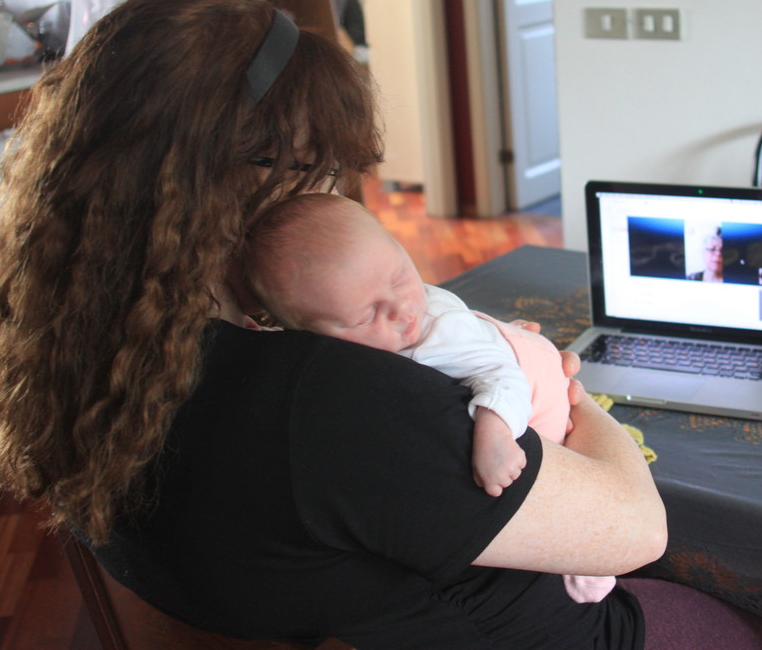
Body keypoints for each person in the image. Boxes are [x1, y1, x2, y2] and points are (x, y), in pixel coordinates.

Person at [0, 0, 762, 649]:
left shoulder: (86, 361)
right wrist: (568, 395)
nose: (330, 196)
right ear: (227, 185)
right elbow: (636, 529)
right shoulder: (329, 403)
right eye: (318, 173)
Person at [245, 192, 614, 603]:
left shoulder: (435, 336)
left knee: (558, 502)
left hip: (532, 394)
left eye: (402, 276)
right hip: (497, 353)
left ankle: (594, 573)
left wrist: (493, 436)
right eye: (367, 315)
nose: (404, 309)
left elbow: (502, 378)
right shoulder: (343, 335)